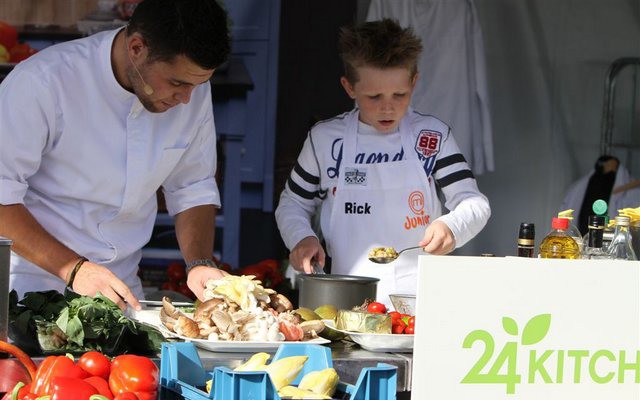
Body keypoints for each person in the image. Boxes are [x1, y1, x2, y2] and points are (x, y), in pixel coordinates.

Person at [0, 0, 231, 310]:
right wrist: (74, 269)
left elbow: (193, 185)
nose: (187, 99)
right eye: (176, 83)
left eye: (198, 85)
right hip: (30, 289)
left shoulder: (191, 89)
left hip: (123, 292)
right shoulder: (43, 81)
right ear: (136, 48)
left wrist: (199, 262)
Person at [275, 19, 491, 308]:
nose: (387, 107)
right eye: (374, 97)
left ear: (414, 83)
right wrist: (302, 238)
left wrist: (452, 226)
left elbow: (474, 203)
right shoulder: (325, 140)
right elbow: (292, 204)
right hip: (344, 296)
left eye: (399, 95)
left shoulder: (432, 136)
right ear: (349, 87)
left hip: (419, 297)